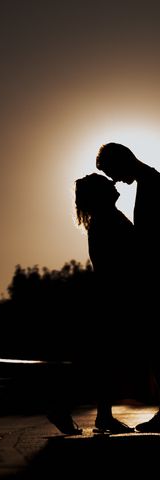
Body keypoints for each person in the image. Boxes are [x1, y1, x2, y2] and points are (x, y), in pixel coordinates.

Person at [47, 173, 136, 435]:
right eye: (106, 183)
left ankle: (98, 415)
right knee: (104, 359)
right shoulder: (107, 220)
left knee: (103, 359)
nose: (113, 183)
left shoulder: (103, 220)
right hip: (113, 298)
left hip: (109, 297)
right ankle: (69, 408)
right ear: (100, 194)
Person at [96, 142, 160, 432]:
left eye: (113, 172)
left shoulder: (154, 185)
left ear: (123, 161)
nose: (116, 180)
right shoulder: (150, 183)